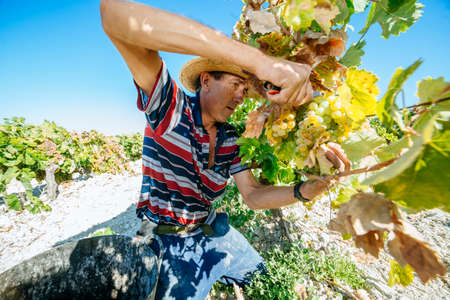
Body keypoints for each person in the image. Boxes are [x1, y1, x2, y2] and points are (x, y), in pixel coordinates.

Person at [100, 0, 350, 299]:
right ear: (206, 81)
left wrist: (302, 192)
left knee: (265, 281)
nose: (241, 97)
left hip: (214, 231)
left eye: (245, 90)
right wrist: (264, 64)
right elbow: (114, 15)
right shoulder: (171, 109)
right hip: (166, 246)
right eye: (235, 85)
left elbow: (252, 195)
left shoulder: (231, 137)